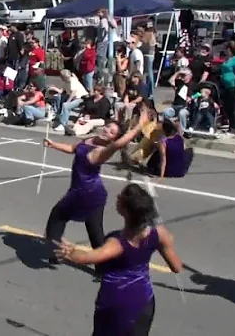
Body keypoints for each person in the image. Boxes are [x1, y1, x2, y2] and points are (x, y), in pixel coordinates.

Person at [55, 183, 183, 335]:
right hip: (143, 300)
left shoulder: (117, 243)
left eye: (120, 198)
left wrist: (70, 252)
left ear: (126, 211)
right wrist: (168, 243)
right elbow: (177, 267)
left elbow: (88, 257)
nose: (117, 198)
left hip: (115, 300)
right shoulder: (159, 234)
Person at [43, 106, 151, 272]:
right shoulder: (91, 139)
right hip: (93, 193)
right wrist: (53, 144)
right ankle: (102, 267)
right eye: (107, 127)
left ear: (113, 138)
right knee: (95, 231)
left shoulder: (102, 151)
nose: (106, 130)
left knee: (56, 219)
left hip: (84, 194)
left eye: (111, 132)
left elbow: (121, 143)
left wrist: (139, 126)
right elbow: (73, 149)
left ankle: (61, 253)